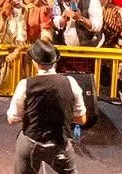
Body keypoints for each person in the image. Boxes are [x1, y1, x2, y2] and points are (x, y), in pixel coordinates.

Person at [5, 41, 86, 174]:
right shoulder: (71, 83)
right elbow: (81, 119)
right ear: (55, 62)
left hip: (32, 142)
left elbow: (12, 118)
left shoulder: (25, 85)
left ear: (35, 63)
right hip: (60, 144)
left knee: (23, 143)